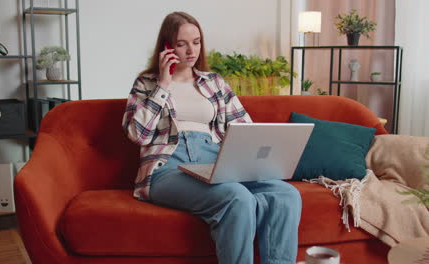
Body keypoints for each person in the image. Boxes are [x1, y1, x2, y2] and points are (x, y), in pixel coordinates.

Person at [122, 11, 302, 264]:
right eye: (181, 43)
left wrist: (255, 156)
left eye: (196, 42)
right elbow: (138, 135)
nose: (190, 50)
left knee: (286, 195)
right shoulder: (147, 83)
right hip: (168, 166)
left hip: (214, 159)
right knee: (236, 197)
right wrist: (164, 84)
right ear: (167, 46)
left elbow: (245, 128)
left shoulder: (214, 82)